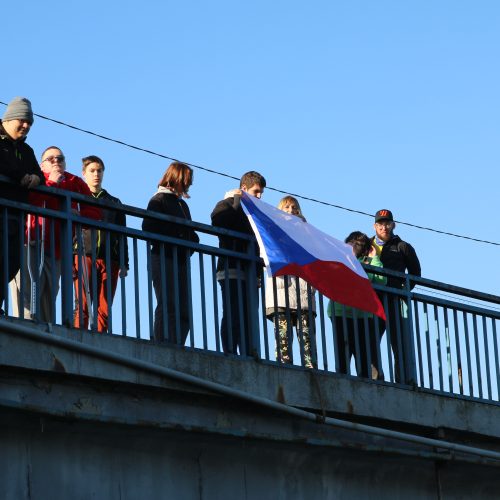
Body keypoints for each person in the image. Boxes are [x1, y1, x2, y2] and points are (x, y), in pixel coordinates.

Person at [10, 146, 101, 322]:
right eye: (51, 159)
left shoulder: (74, 182)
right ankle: (25, 330)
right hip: (32, 243)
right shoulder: (37, 178)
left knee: (48, 299)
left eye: (60, 159)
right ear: (42, 165)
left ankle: (46, 336)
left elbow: (96, 212)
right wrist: (51, 183)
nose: (56, 162)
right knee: (27, 296)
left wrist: (79, 214)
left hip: (57, 249)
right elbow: (30, 201)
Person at [142, 162, 199, 344]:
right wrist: (179, 235)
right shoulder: (158, 200)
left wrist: (190, 240)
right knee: (167, 304)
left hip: (180, 259)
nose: (189, 184)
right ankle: (163, 342)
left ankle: (177, 344)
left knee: (183, 309)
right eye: (187, 180)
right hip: (163, 257)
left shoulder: (182, 205)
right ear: (177, 179)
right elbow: (149, 227)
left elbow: (192, 234)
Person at [211, 171, 266, 355]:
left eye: (261, 192)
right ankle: (230, 352)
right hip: (231, 269)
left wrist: (258, 273)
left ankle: (248, 353)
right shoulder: (226, 204)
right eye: (256, 191)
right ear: (244, 189)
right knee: (233, 314)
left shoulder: (256, 213)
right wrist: (235, 200)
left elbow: (259, 243)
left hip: (250, 272)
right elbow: (219, 222)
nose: (259, 196)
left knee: (249, 317)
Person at [73, 155, 129, 332]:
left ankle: (99, 340)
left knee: (104, 307)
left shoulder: (114, 202)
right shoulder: (77, 198)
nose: (96, 174)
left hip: (109, 258)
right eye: (92, 171)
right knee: (82, 303)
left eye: (99, 170)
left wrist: (124, 262)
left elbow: (122, 234)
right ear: (84, 174)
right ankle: (78, 338)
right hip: (83, 254)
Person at [0, 97, 45, 314]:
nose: (26, 126)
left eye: (30, 123)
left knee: (12, 262)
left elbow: (38, 173)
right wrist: (21, 176)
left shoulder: (26, 150)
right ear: (9, 118)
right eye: (22, 120)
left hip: (16, 214)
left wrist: (36, 178)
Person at [265, 196, 316, 368]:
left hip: (303, 293)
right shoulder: (271, 230)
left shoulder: (307, 233)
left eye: (294, 207)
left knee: (307, 341)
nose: (291, 210)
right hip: (281, 293)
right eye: (286, 207)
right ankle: (284, 368)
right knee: (283, 339)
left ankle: (311, 371)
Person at [371, 209, 421, 384]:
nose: (383, 227)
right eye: (380, 224)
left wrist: (401, 289)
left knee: (399, 343)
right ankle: (376, 379)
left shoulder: (403, 246)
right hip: (374, 301)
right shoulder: (367, 245)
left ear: (393, 225)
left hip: (394, 301)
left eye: (387, 223)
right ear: (374, 226)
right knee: (371, 341)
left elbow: (415, 273)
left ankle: (403, 381)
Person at [327, 231, 386, 378]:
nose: (355, 245)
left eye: (359, 243)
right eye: (352, 242)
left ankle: (364, 382)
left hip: (363, 315)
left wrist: (374, 258)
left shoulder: (369, 262)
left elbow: (381, 280)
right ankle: (342, 380)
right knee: (343, 353)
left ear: (366, 248)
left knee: (363, 355)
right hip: (340, 312)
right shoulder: (339, 259)